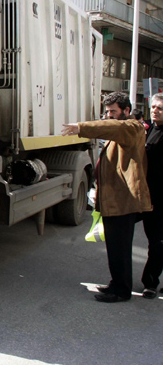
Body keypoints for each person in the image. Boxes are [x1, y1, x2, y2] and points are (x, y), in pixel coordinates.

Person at [62, 91, 151, 303]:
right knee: (114, 246)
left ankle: (121, 291)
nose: (109, 116)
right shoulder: (121, 130)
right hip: (114, 201)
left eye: (113, 112)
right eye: (107, 112)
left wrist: (81, 128)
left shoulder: (132, 127)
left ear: (126, 111)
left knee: (120, 248)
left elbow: (115, 127)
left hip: (123, 202)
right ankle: (116, 283)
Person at [141, 93, 163, 299]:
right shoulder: (147, 129)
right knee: (155, 242)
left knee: (158, 243)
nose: (155, 110)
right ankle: (151, 281)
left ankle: (151, 282)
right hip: (149, 198)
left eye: (160, 108)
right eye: (154, 107)